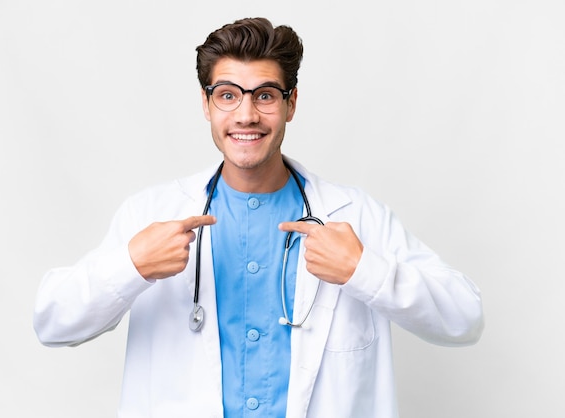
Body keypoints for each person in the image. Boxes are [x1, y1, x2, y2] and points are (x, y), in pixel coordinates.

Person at [34, 17, 484, 418]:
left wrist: (363, 270)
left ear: (290, 104)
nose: (246, 115)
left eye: (265, 95)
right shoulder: (152, 215)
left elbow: (465, 319)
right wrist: (131, 265)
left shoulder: (355, 217)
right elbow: (53, 324)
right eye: (227, 95)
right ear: (206, 105)